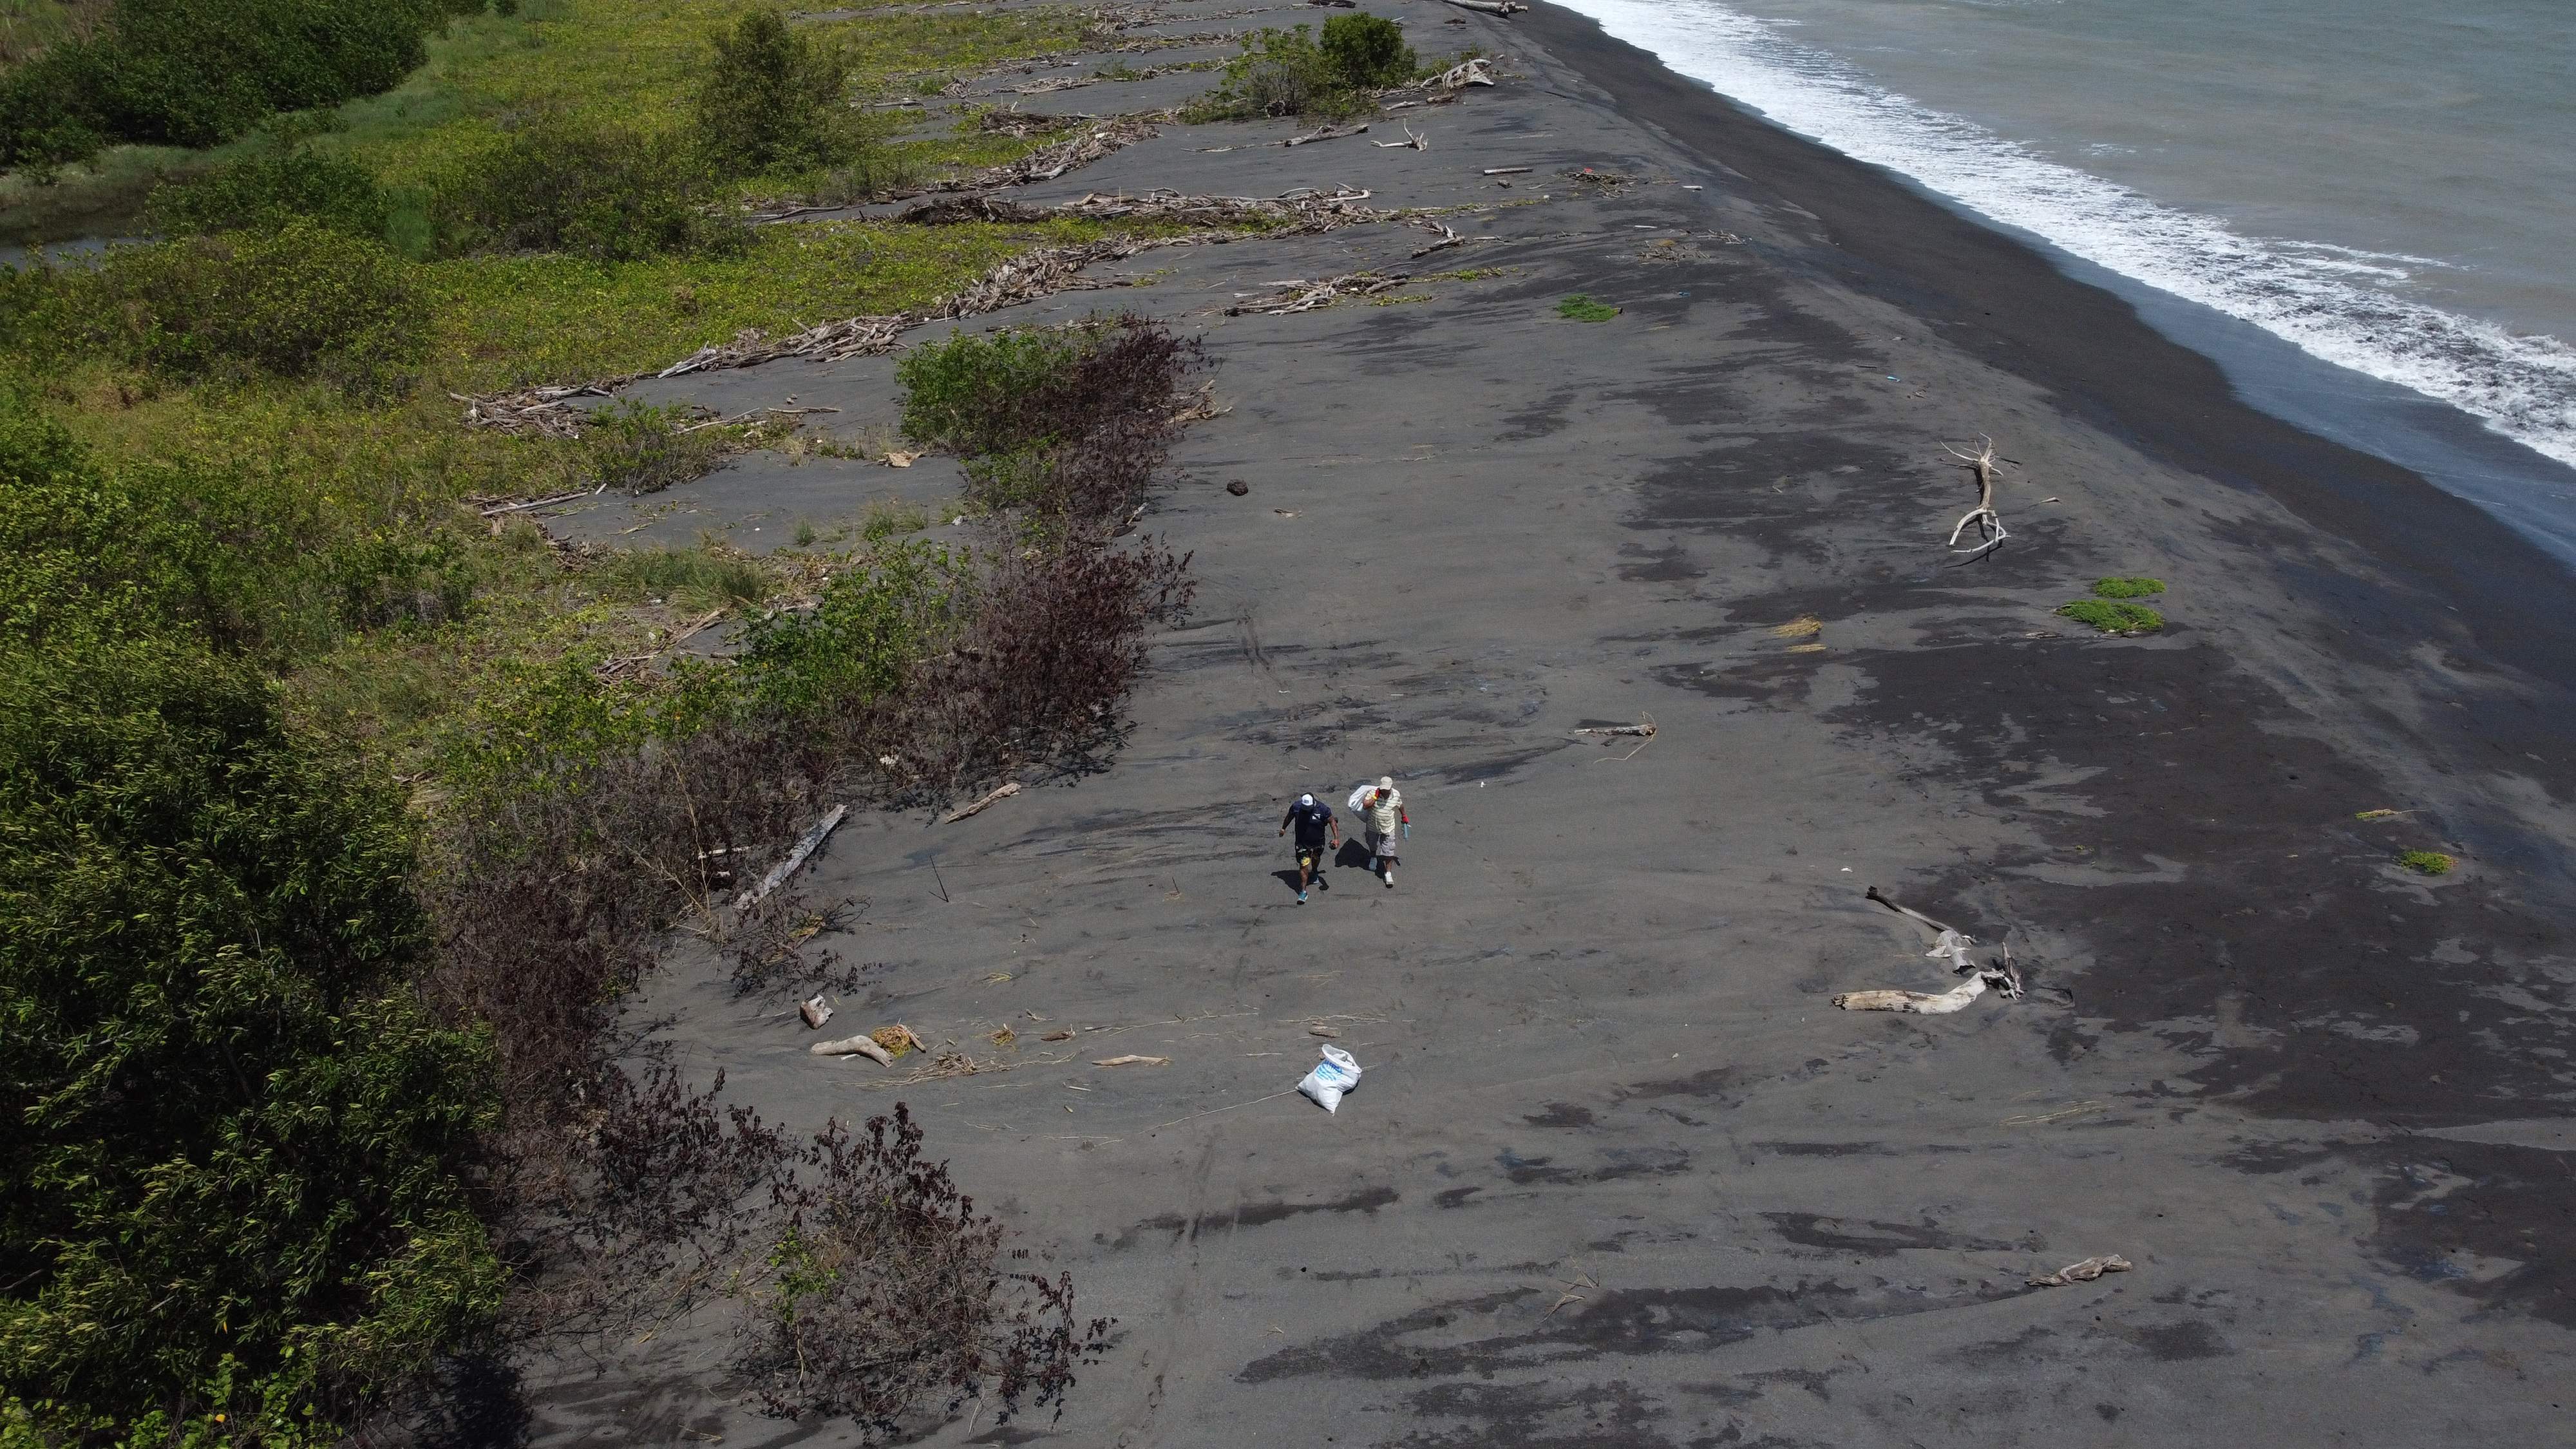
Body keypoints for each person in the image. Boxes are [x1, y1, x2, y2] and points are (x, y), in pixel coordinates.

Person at [1278, 791, 1339, 903]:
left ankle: (1315, 871)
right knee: (1304, 865)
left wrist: (1336, 838)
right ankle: (1303, 892)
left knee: (1316, 858)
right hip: (1302, 843)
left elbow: (1332, 822)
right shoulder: (1296, 807)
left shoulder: (1323, 809)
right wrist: (1283, 828)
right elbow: (1289, 816)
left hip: (1318, 842)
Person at [1358, 775, 1406, 888]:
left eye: (1387, 790)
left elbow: (1400, 805)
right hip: (1372, 827)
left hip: (1388, 827)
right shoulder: (1373, 793)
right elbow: (1365, 806)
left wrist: (1404, 816)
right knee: (1372, 844)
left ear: (1390, 788)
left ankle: (1388, 873)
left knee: (1389, 850)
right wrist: (1375, 797)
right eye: (1383, 789)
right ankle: (1373, 857)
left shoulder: (1396, 794)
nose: (1385, 791)